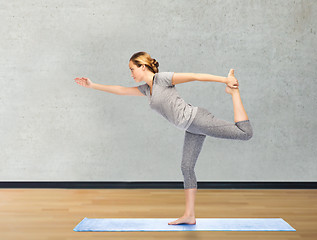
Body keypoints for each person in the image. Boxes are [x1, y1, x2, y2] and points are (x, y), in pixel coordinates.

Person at [74, 51, 253, 225]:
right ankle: (189, 215)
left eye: (132, 69)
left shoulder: (162, 79)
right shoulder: (147, 89)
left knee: (245, 133)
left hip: (197, 119)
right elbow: (121, 90)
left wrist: (226, 80)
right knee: (186, 167)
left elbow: (195, 76)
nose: (130, 73)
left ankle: (233, 93)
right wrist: (93, 85)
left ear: (142, 66)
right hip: (191, 128)